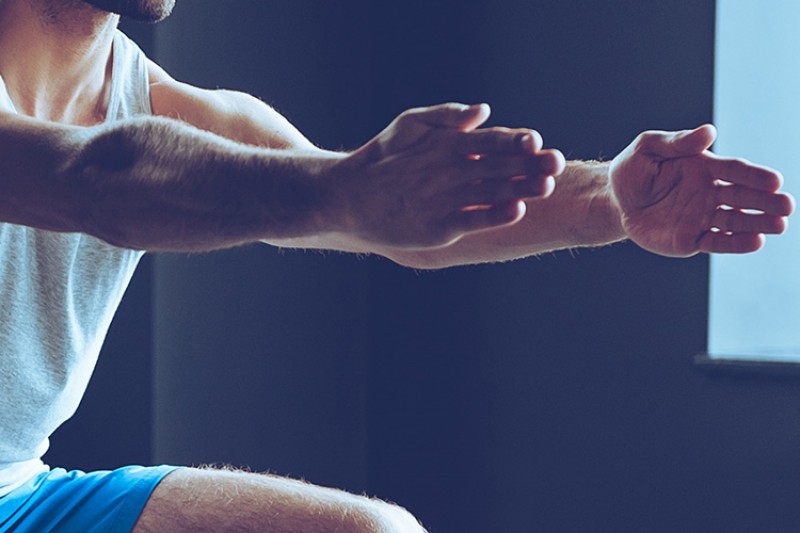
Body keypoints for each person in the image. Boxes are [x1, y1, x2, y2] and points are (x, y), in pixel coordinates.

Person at [0, 0, 792, 532]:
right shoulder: (124, 143)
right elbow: (91, 181)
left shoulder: (167, 104)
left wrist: (609, 203)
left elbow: (399, 232)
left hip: (23, 493)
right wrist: (342, 191)